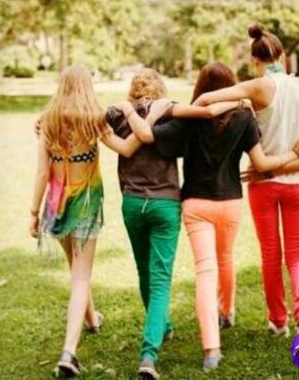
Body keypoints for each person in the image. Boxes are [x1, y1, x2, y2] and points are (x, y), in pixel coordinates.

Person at [118, 62, 299, 371]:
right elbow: (262, 163)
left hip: (196, 203)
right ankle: (227, 312)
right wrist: (295, 153)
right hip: (230, 202)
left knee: (205, 271)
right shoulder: (244, 117)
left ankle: (212, 349)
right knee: (225, 258)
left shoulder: (189, 118)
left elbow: (151, 137)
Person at [193, 24, 299, 336]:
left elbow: (204, 100)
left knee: (271, 255)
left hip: (264, 182)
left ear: (255, 60)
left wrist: (237, 103)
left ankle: (278, 321)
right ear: (281, 56)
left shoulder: (256, 87)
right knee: (296, 255)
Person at [105, 68, 246, 380]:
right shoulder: (169, 108)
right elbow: (207, 111)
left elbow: (82, 117)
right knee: (160, 280)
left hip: (132, 203)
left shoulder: (117, 113)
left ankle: (162, 327)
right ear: (160, 89)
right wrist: (240, 101)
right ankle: (148, 355)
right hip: (165, 204)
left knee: (144, 271)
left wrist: (46, 120)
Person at [28, 66, 161, 377]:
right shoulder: (94, 120)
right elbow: (126, 148)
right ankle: (69, 353)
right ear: (87, 87)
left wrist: (33, 212)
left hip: (56, 205)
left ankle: (91, 319)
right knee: (80, 276)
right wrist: (150, 121)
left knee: (76, 270)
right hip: (85, 204)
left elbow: (42, 173)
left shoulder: (49, 120)